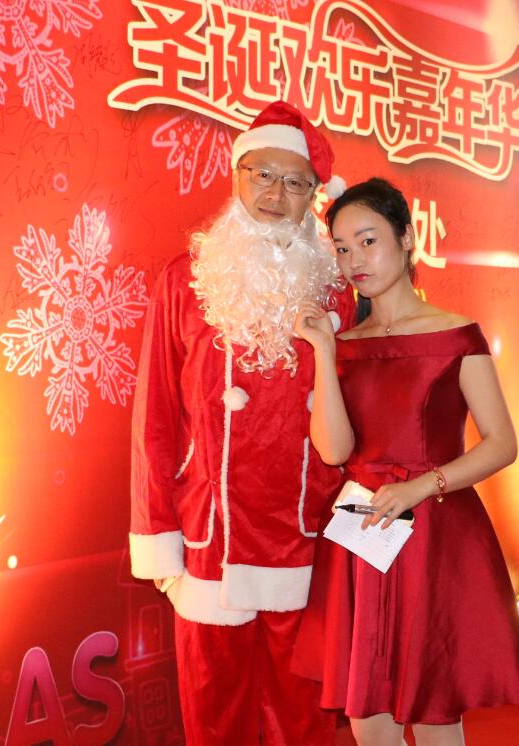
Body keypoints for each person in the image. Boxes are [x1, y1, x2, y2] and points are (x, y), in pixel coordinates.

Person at [127, 101, 351, 745]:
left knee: (303, 718)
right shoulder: (185, 281)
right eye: (264, 176)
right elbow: (154, 421)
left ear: (314, 195)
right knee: (213, 715)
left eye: (296, 182)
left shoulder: (336, 289)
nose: (277, 195)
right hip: (210, 535)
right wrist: (160, 538)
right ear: (236, 176)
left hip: (304, 533)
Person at [290, 178, 519, 745]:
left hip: (437, 531)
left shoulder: (456, 336)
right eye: (343, 248)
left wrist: (423, 486)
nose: (355, 260)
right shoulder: (344, 345)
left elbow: (502, 443)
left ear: (406, 239)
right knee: (367, 719)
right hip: (362, 532)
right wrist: (325, 352)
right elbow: (334, 451)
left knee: (433, 708)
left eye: (368, 240)